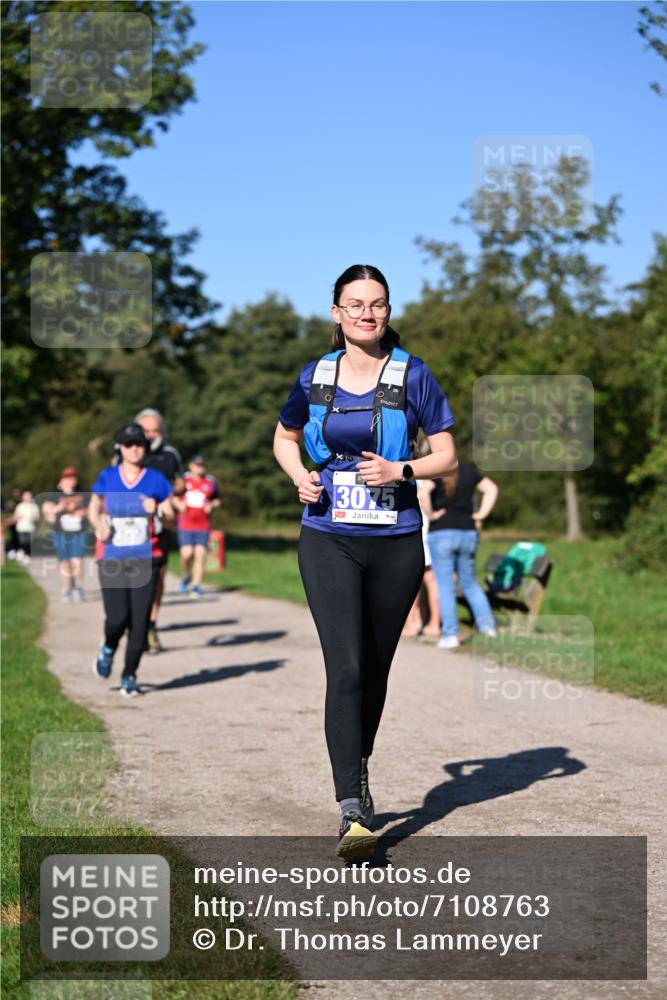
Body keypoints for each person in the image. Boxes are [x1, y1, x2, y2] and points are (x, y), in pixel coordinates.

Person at [273, 264, 457, 861]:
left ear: (387, 311)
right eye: (355, 304)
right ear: (337, 313)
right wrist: (300, 475)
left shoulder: (413, 374)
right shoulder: (315, 376)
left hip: (396, 539)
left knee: (374, 670)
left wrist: (401, 469)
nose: (366, 314)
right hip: (328, 535)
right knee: (347, 667)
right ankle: (352, 808)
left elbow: (447, 456)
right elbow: (284, 437)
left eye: (377, 304)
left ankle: (358, 765)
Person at [88, 423, 174, 697]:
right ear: (120, 448)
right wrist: (97, 524)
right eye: (129, 444)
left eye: (139, 444)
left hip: (147, 559)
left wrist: (157, 510)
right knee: (117, 619)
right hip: (112, 557)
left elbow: (171, 517)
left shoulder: (156, 480)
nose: (134, 449)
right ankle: (108, 647)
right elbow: (93, 508)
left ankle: (129, 675)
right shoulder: (107, 477)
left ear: (145, 448)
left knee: (139, 623)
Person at [425, 462, 499, 649]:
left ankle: (450, 635)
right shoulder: (468, 470)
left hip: (441, 532)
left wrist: (431, 515)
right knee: (469, 583)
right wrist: (481, 514)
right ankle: (488, 629)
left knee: (445, 585)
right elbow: (491, 489)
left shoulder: (436, 469)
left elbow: (423, 492)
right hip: (467, 532)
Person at [134, 408, 184, 652]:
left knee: (158, 576)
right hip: (132, 525)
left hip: (161, 522)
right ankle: (136, 623)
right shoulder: (127, 451)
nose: (150, 435)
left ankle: (151, 623)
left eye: (154, 430)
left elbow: (181, 483)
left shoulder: (170, 454)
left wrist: (168, 495)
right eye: (146, 430)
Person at [402, 441, 441, 639]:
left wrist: (431, 514)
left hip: (417, 528)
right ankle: (430, 620)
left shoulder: (410, 474)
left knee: (412, 579)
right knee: (429, 579)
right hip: (426, 529)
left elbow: (424, 498)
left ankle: (413, 621)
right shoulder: (428, 476)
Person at [173, 455, 220, 598]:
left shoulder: (210, 482)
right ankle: (186, 574)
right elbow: (172, 496)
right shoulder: (184, 480)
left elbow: (217, 500)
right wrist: (179, 504)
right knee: (186, 554)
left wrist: (211, 505)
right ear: (191, 466)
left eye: (202, 465)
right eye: (197, 465)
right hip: (185, 524)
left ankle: (196, 585)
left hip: (203, 525)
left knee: (200, 555)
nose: (199, 467)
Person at [42, 467, 88, 602]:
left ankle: (78, 587)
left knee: (77, 560)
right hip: (61, 533)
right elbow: (48, 513)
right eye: (67, 478)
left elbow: (90, 509)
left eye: (73, 477)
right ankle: (67, 588)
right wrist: (58, 508)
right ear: (62, 480)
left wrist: (82, 512)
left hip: (79, 533)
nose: (71, 480)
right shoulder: (55, 494)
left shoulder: (82, 492)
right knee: (65, 562)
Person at [12, 489, 40, 564]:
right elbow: (15, 516)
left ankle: (27, 555)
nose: (28, 497)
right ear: (23, 497)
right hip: (21, 527)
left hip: (30, 528)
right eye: (26, 496)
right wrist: (19, 517)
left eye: (29, 496)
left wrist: (34, 518)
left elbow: (37, 518)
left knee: (29, 542)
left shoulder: (34, 506)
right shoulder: (20, 506)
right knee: (22, 542)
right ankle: (23, 553)